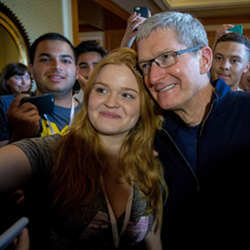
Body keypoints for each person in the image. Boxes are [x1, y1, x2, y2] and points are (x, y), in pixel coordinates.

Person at [0, 48, 166, 250]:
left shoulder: (148, 162)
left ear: (144, 106)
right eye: (101, 90)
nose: (111, 103)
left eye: (127, 95)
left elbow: (153, 239)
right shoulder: (56, 151)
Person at [136, 11, 250, 249]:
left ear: (204, 59)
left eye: (167, 57)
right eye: (146, 65)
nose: (154, 77)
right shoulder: (146, 135)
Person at [0, 32, 81, 146]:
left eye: (65, 60)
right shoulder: (9, 108)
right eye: (45, 59)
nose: (57, 66)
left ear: (77, 71)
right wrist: (20, 135)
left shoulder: (92, 114)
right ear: (31, 70)